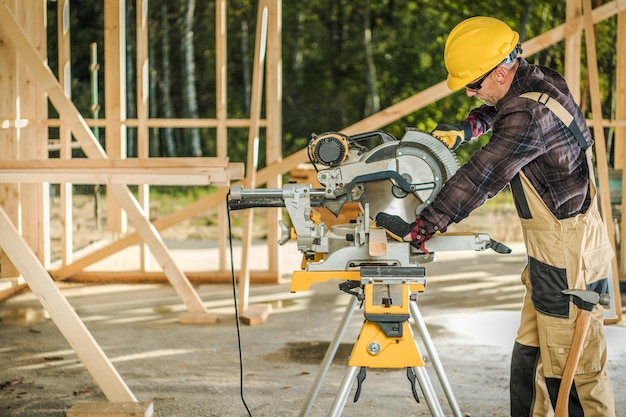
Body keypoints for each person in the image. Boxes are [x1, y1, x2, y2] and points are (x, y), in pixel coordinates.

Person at [376, 16, 615, 417]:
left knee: (571, 371)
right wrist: (467, 128)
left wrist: (421, 227)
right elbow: (502, 111)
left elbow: (480, 177)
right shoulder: (541, 81)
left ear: (502, 72)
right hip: (560, 247)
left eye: (475, 85)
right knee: (530, 354)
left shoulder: (527, 118)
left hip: (566, 255)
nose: (471, 92)